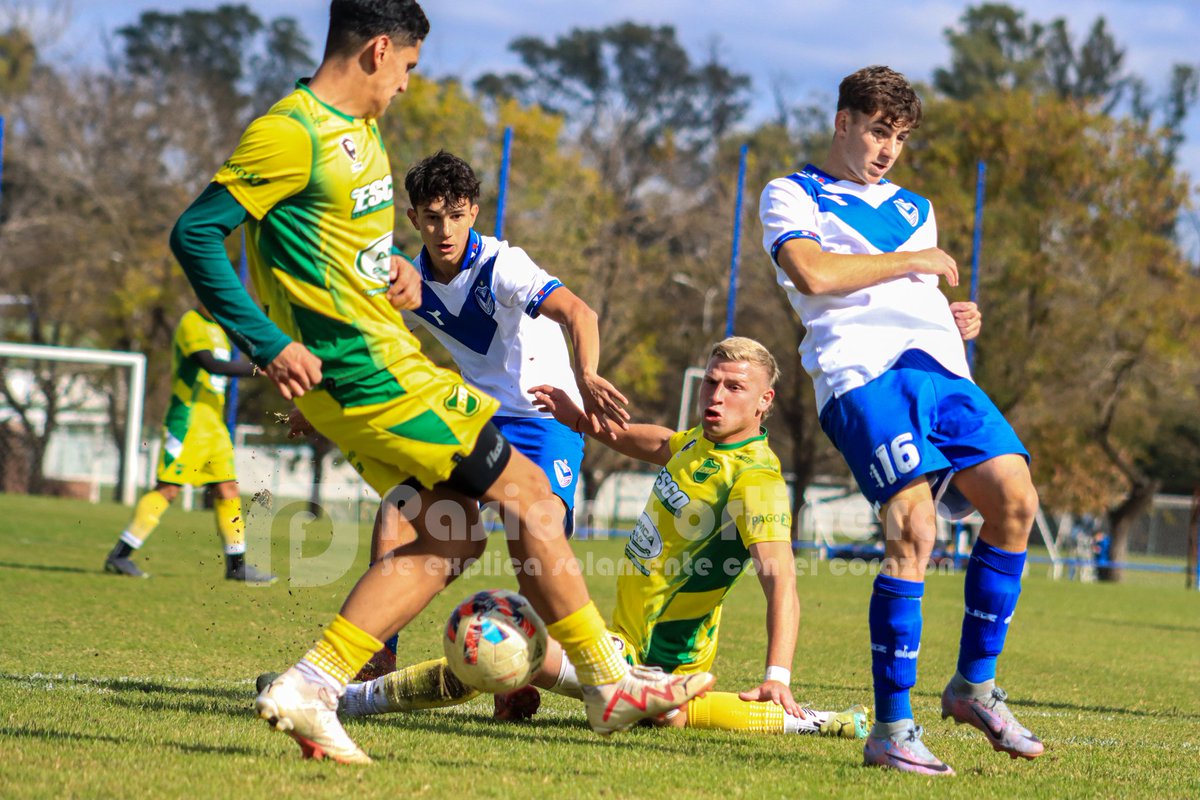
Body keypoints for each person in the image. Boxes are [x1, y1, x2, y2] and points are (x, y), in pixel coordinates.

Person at [167, 0, 712, 765]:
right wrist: (268, 342)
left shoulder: (361, 134)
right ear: (380, 50)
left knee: (448, 537)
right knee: (526, 499)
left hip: (371, 371)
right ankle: (608, 684)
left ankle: (312, 685)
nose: (408, 86)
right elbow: (195, 234)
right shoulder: (292, 131)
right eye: (410, 68)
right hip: (373, 371)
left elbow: (327, 256)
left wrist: (376, 277)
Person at [340, 337, 870, 739]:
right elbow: (651, 440)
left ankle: (349, 697)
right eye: (711, 382)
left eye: (734, 388)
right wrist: (582, 422)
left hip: (657, 652)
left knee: (493, 633)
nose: (716, 395)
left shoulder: (755, 480)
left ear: (764, 402)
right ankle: (811, 722)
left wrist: (777, 673)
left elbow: (781, 583)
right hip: (628, 639)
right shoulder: (697, 445)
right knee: (657, 709)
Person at [758, 65, 1042, 775]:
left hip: (939, 371)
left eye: (901, 137)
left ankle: (974, 685)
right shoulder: (793, 192)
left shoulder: (918, 206)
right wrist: (914, 263)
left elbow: (904, 289)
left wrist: (950, 316)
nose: (888, 149)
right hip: (861, 376)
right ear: (843, 122)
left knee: (1016, 500)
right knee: (915, 529)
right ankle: (891, 728)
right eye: (878, 131)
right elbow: (816, 276)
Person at [348, 149, 630, 681]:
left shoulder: (503, 266)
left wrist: (588, 375)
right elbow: (367, 347)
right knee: (400, 509)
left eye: (456, 215)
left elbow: (579, 311)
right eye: (432, 218)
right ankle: (374, 655)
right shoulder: (410, 282)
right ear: (414, 220)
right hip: (480, 419)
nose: (444, 229)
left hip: (545, 420)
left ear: (473, 212)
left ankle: (543, 673)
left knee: (534, 555)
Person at [103, 306, 275, 584]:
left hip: (213, 426)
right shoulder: (191, 323)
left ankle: (236, 565)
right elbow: (211, 364)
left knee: (227, 489)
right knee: (169, 490)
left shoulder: (221, 329)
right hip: (187, 422)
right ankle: (120, 555)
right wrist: (257, 369)